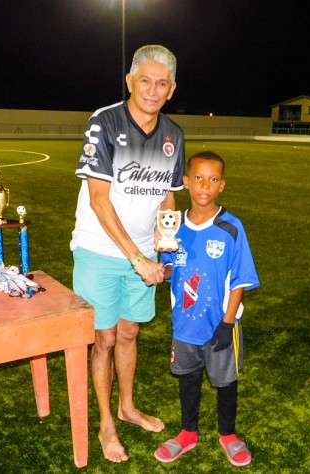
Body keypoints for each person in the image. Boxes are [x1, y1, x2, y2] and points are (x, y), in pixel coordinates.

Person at [70, 44, 185, 462]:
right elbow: (99, 200)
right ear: (130, 81)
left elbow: (169, 197)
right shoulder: (104, 122)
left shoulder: (174, 135)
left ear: (171, 89)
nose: (152, 90)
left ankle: (127, 407)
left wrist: (165, 238)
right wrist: (137, 258)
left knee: (130, 332)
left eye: (161, 83)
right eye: (145, 80)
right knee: (104, 338)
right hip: (100, 250)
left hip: (145, 255)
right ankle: (106, 423)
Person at [155, 151, 260, 466]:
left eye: (213, 179)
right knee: (188, 378)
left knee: (225, 381)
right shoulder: (174, 227)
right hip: (184, 323)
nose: (205, 186)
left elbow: (240, 280)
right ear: (187, 182)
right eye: (199, 178)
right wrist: (160, 270)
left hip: (220, 325)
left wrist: (227, 324)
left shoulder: (231, 227)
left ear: (222, 185)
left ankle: (228, 434)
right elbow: (170, 268)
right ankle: (188, 432)